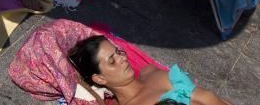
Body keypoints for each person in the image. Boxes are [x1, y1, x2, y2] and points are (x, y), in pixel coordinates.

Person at [68, 35, 233, 105]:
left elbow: (211, 98)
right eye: (112, 61)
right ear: (100, 79)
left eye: (118, 52)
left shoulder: (150, 72)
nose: (123, 58)